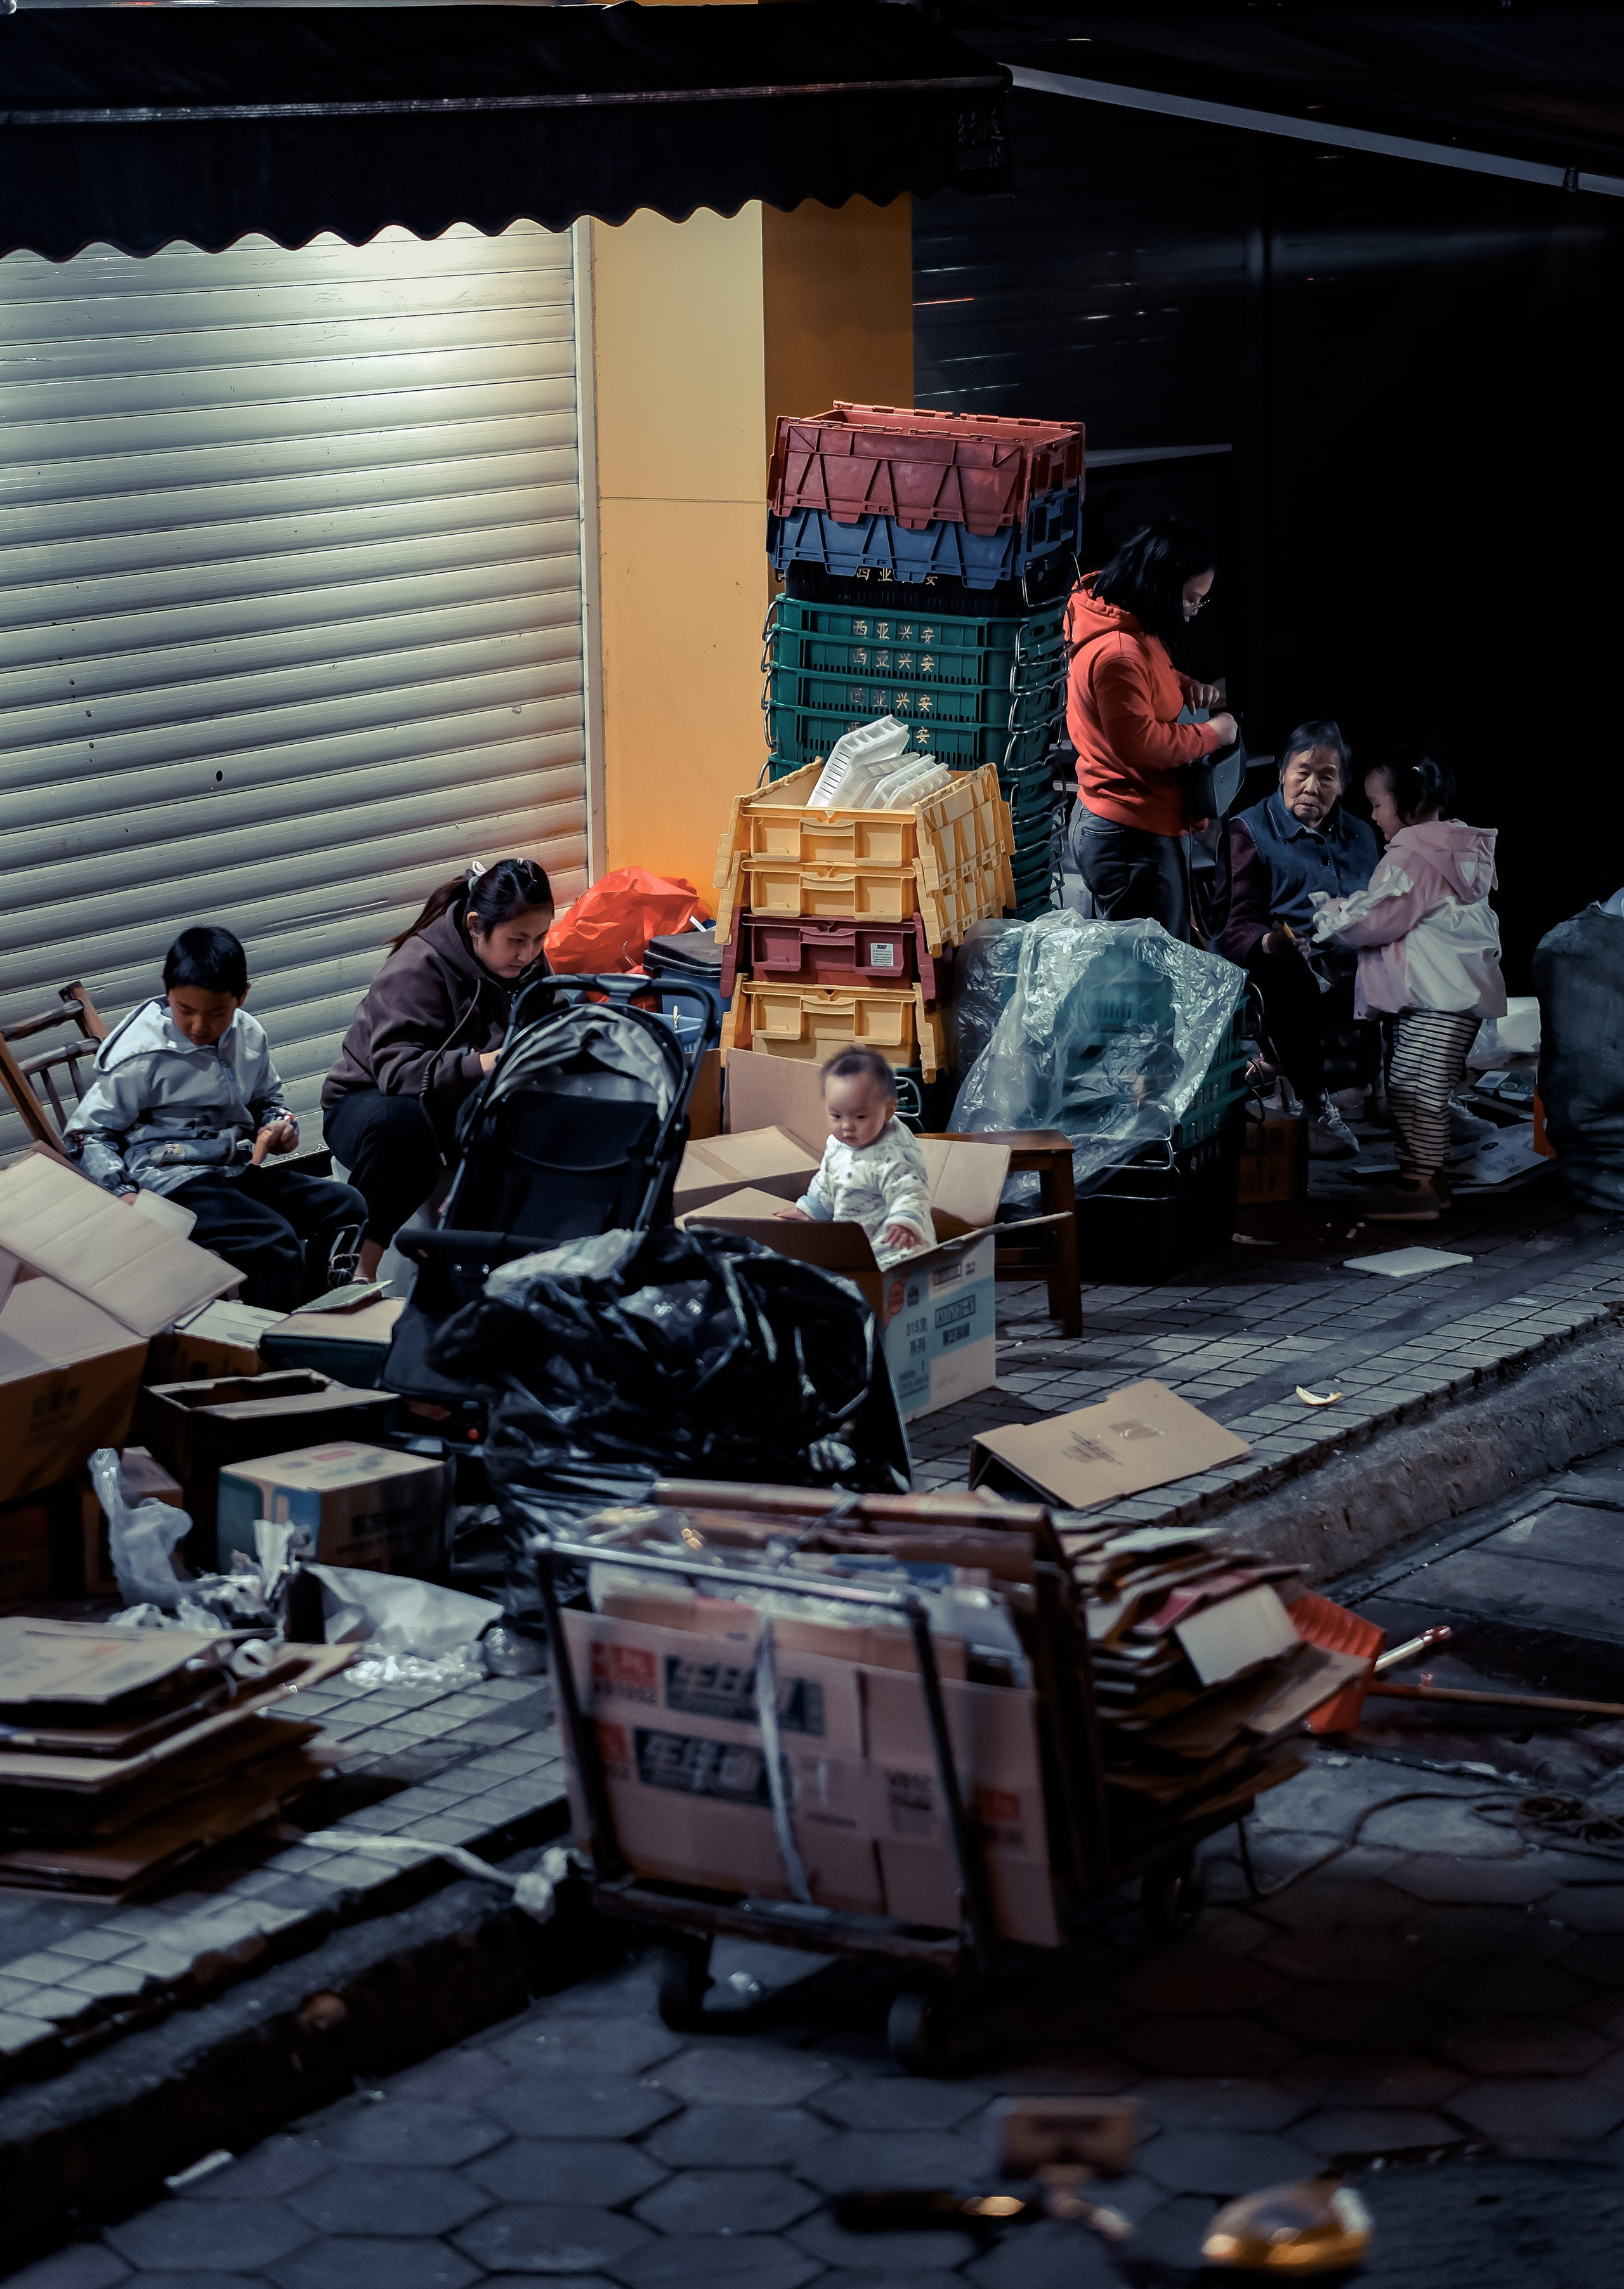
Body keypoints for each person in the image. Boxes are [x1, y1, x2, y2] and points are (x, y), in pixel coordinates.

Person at [67, 926, 366, 1311]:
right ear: (166, 989)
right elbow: (85, 1134)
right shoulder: (140, 1054)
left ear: (242, 995)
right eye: (184, 1010)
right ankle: (269, 1352)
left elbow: (268, 1100)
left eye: (217, 1013)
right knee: (272, 1241)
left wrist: (280, 1127)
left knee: (345, 1205)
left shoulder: (249, 1036)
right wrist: (122, 1193)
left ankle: (312, 1313)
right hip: (170, 1183)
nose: (198, 1027)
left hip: (231, 1170)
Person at [322, 857, 554, 1279]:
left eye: (541, 939)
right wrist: (486, 1064)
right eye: (517, 940)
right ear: (474, 926)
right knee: (406, 1126)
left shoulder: (531, 967)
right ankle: (356, 1265)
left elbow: (553, 1025)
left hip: (458, 1107)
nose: (530, 953)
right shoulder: (421, 964)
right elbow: (397, 1072)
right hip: (371, 1104)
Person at [1312, 757, 1505, 1221]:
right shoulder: (1455, 845)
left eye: (1379, 805)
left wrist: (1329, 913)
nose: (1374, 816)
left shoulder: (1413, 852)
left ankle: (1417, 1187)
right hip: (1456, 995)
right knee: (1417, 1085)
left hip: (1437, 996)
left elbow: (1378, 920)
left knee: (1414, 1088)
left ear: (1411, 805)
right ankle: (1429, 1182)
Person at [1064, 516, 1239, 939]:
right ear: (1161, 588)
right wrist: (1216, 733)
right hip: (1130, 837)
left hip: (1138, 827)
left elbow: (1145, 678)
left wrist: (1184, 686)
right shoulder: (1119, 654)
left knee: (1153, 966)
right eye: (1191, 599)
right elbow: (1141, 744)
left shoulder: (1131, 626)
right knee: (1147, 979)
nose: (1196, 610)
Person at [1215, 719, 1380, 1158]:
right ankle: (1316, 1105)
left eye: (1327, 776)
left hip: (1356, 962)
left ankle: (1422, 1095)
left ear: (1341, 784)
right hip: (1290, 967)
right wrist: (1272, 943)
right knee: (1288, 979)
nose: (1312, 786)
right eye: (1302, 772)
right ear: (1283, 774)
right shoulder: (1248, 832)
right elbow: (1232, 926)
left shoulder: (1362, 834)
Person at [775, 1047, 933, 1269]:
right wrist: (809, 1210)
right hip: (855, 1238)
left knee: (896, 1268)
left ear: (888, 1112)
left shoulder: (895, 1154)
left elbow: (910, 1191)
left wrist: (905, 1222)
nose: (847, 1126)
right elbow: (827, 1180)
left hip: (893, 1242)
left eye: (860, 1116)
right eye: (836, 1115)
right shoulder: (838, 1143)